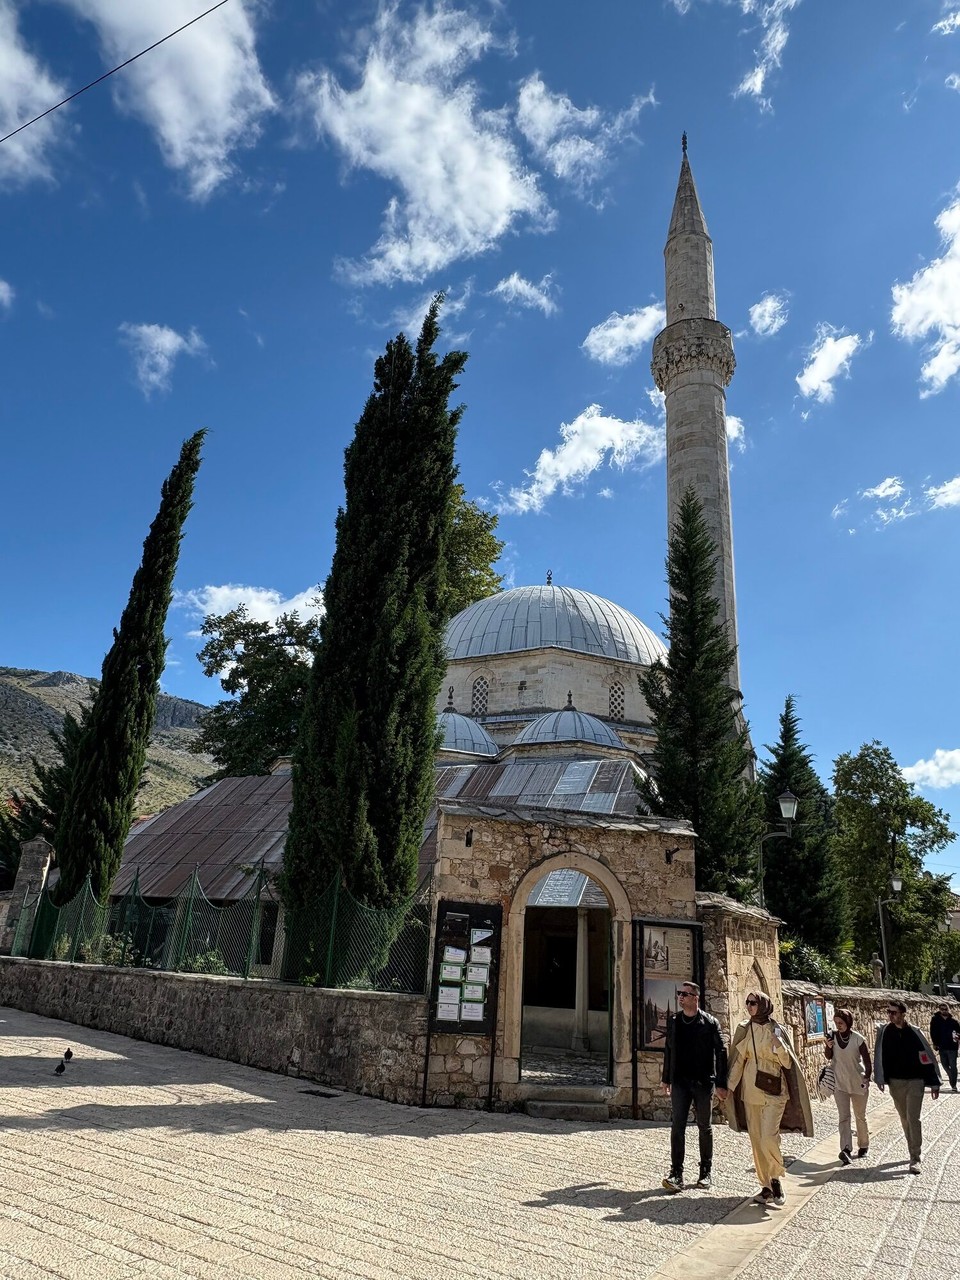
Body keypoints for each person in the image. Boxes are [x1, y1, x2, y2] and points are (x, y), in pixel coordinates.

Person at [724, 991, 813, 1208]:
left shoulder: (777, 1029)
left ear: (763, 1005)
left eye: (753, 1003)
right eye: (747, 1002)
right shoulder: (745, 1029)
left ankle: (775, 1179)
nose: (749, 1006)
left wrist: (779, 1045)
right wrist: (728, 1088)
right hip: (751, 1093)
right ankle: (765, 1186)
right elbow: (738, 1061)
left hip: (775, 1091)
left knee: (768, 1138)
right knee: (756, 1141)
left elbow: (788, 1063)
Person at [660, 981, 728, 1193]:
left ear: (695, 998)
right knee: (677, 1126)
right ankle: (676, 1173)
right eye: (679, 993)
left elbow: (721, 1052)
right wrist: (666, 1078)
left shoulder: (710, 1023)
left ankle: (705, 1172)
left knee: (704, 1127)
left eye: (685, 994)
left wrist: (721, 1083)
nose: (680, 997)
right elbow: (668, 1049)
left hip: (703, 1082)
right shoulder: (674, 1021)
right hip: (680, 1082)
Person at [874, 999, 941, 1174]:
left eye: (893, 1012)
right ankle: (912, 1147)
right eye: (888, 1012)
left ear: (903, 1014)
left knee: (913, 1118)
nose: (890, 1015)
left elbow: (926, 1057)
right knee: (904, 1118)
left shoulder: (914, 1033)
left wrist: (934, 1083)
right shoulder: (885, 1032)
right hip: (896, 1082)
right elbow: (880, 1056)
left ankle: (915, 1157)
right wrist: (880, 1077)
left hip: (915, 1081)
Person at [824, 1008, 871, 1163]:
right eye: (836, 1022)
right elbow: (828, 1057)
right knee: (844, 1117)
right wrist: (828, 1046)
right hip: (840, 1083)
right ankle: (846, 1149)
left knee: (860, 1116)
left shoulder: (858, 1039)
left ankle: (863, 1145)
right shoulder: (832, 1037)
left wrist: (867, 1078)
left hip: (858, 1082)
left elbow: (867, 1061)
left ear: (848, 1023)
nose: (838, 1025)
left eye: (841, 1022)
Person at [929, 1002, 960, 1093]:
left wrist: (957, 1036)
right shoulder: (935, 1020)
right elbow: (932, 1032)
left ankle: (953, 1085)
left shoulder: (954, 1021)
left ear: (948, 1010)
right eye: (942, 1009)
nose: (944, 1011)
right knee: (944, 1065)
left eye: (946, 1009)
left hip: (952, 1047)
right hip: (941, 1046)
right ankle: (951, 1076)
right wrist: (934, 1043)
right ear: (939, 1010)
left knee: (953, 1066)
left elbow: (959, 1032)